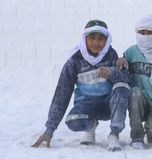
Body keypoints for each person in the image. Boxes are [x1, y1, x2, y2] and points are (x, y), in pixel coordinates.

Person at [31, 20, 131, 152]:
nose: (96, 43)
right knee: (73, 121)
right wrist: (49, 130)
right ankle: (90, 126)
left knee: (121, 86)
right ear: (85, 38)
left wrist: (112, 72)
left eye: (101, 38)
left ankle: (114, 134)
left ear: (107, 40)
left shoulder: (111, 55)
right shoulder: (74, 61)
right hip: (86, 103)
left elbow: (126, 80)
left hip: (109, 104)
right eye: (92, 38)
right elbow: (62, 94)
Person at [116, 15, 152, 149]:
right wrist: (121, 59)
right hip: (137, 101)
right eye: (142, 33)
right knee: (135, 92)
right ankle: (137, 135)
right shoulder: (131, 51)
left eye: (150, 32)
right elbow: (121, 63)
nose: (146, 36)